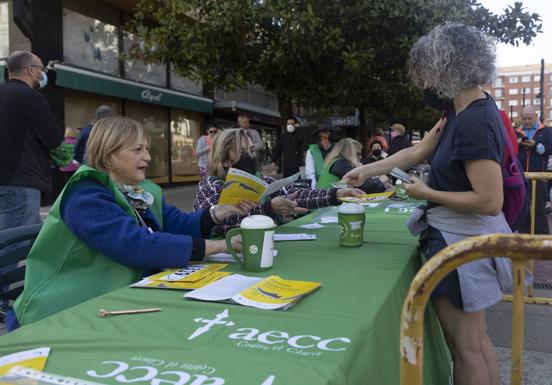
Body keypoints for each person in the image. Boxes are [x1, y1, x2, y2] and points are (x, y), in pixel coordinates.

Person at [344, 24, 515, 385]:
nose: (423, 85)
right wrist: (364, 169)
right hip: (464, 241)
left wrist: (427, 193)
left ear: (445, 69)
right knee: (477, 342)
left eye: (424, 75)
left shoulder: (472, 121)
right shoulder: (464, 111)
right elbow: (418, 151)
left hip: (458, 244)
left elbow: (488, 200)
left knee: (465, 349)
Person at [9, 117, 251, 329]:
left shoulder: (141, 189)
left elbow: (176, 223)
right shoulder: (85, 195)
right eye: (137, 150)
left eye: (146, 148)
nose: (147, 156)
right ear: (109, 156)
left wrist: (216, 213)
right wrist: (220, 246)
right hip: (62, 313)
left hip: (113, 303)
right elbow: (134, 245)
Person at [193, 129, 363, 235]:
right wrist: (269, 208)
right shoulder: (209, 186)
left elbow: (298, 195)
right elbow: (221, 225)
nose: (251, 157)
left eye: (252, 150)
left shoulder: (262, 181)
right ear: (224, 159)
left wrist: (337, 193)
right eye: (242, 151)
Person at [0, 51, 64, 231]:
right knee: (13, 245)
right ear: (31, 70)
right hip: (21, 182)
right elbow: (53, 138)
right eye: (42, 69)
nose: (43, 74)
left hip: (6, 182)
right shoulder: (31, 97)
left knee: (26, 239)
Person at [515, 105, 552, 234]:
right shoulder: (516, 131)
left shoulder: (546, 131)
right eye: (524, 118)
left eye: (529, 118)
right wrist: (516, 143)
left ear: (536, 116)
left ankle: (542, 236)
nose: (527, 121)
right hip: (521, 176)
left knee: (539, 208)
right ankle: (524, 235)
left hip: (539, 175)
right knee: (522, 208)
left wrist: (536, 146)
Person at [317, 138, 388, 193]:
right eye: (357, 153)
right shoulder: (341, 163)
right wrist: (381, 180)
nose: (360, 157)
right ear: (350, 152)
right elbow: (364, 187)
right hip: (327, 205)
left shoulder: (336, 161)